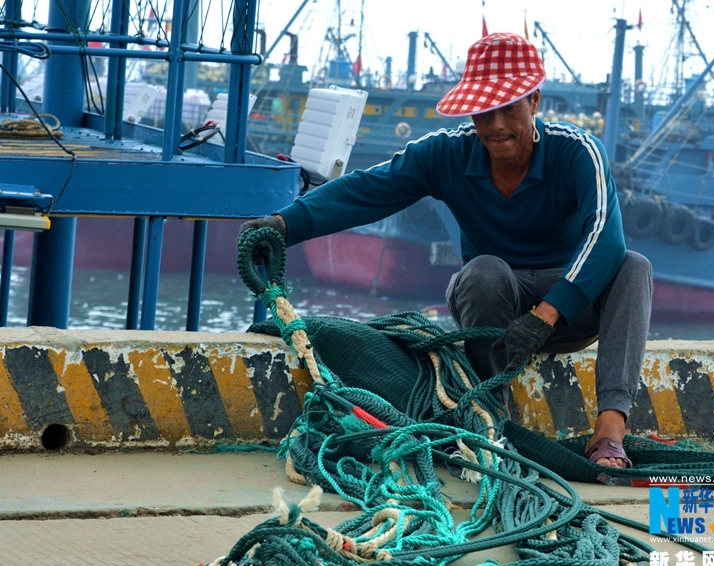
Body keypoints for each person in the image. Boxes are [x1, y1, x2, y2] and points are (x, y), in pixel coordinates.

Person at [241, 32, 653, 469]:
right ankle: (489, 420)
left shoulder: (578, 152)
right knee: (485, 271)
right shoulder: (447, 154)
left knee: (633, 265)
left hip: (569, 310)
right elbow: (366, 191)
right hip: (494, 311)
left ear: (534, 102)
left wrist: (549, 312)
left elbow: (607, 238)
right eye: (483, 112)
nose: (495, 126)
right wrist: (283, 224)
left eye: (508, 109)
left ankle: (610, 429)